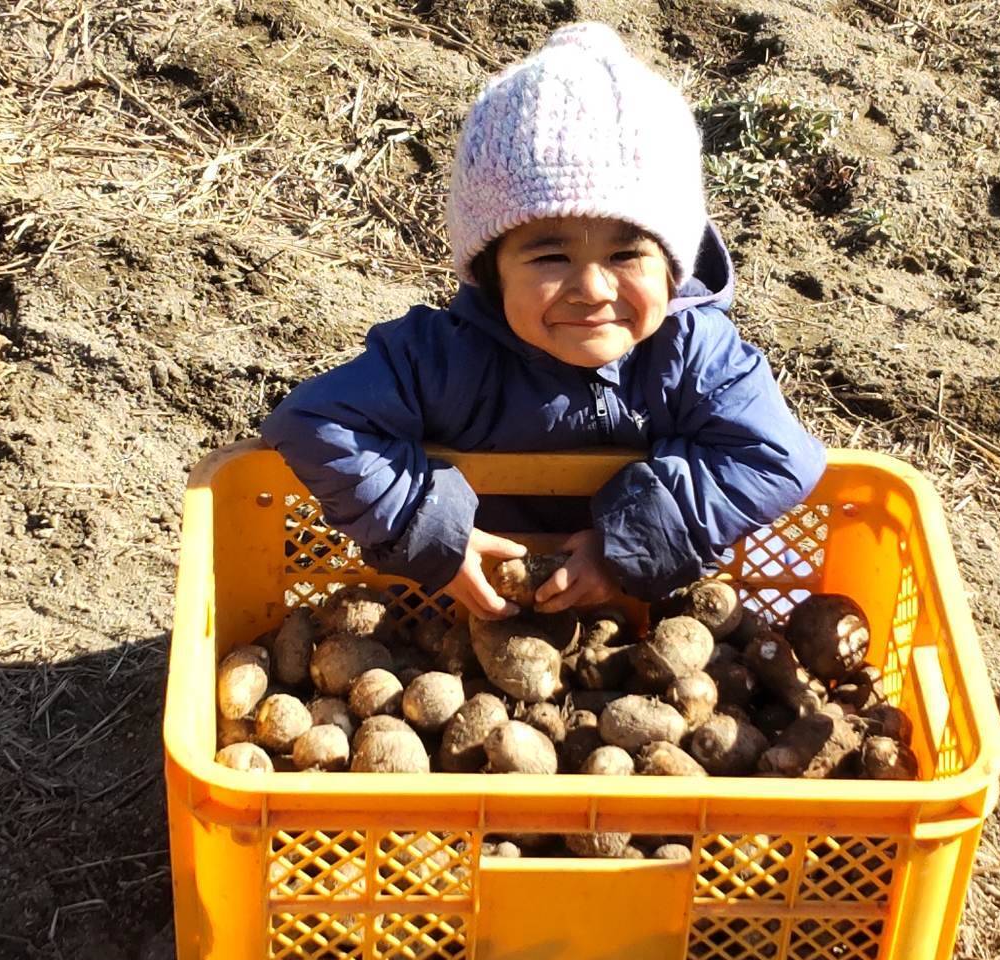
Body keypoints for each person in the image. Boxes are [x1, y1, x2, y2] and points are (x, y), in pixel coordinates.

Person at [263, 21, 825, 620]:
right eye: (551, 256)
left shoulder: (695, 352)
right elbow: (312, 423)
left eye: (627, 253)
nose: (591, 288)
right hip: (458, 610)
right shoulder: (442, 357)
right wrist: (433, 539)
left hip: (642, 605)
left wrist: (626, 550)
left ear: (672, 267)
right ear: (492, 269)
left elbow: (779, 458)